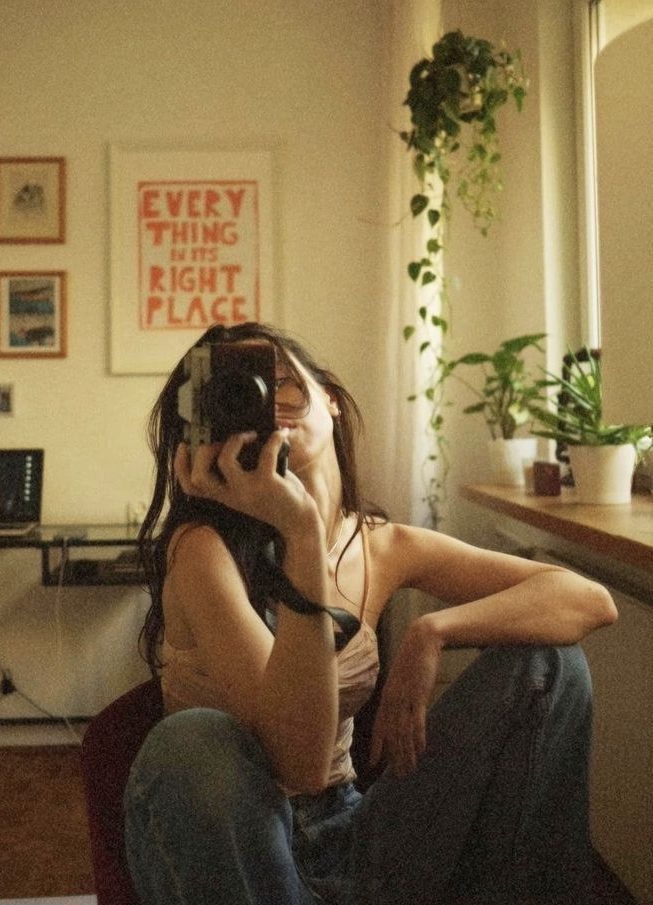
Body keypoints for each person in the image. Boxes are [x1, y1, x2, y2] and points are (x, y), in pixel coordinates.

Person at [124, 322, 617, 905]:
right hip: (241, 848)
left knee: (548, 668)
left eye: (283, 385)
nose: (270, 410)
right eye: (241, 396)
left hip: (358, 837)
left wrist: (433, 631)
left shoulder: (383, 547)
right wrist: (301, 532)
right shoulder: (202, 549)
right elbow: (299, 761)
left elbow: (588, 600)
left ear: (330, 399)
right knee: (194, 739)